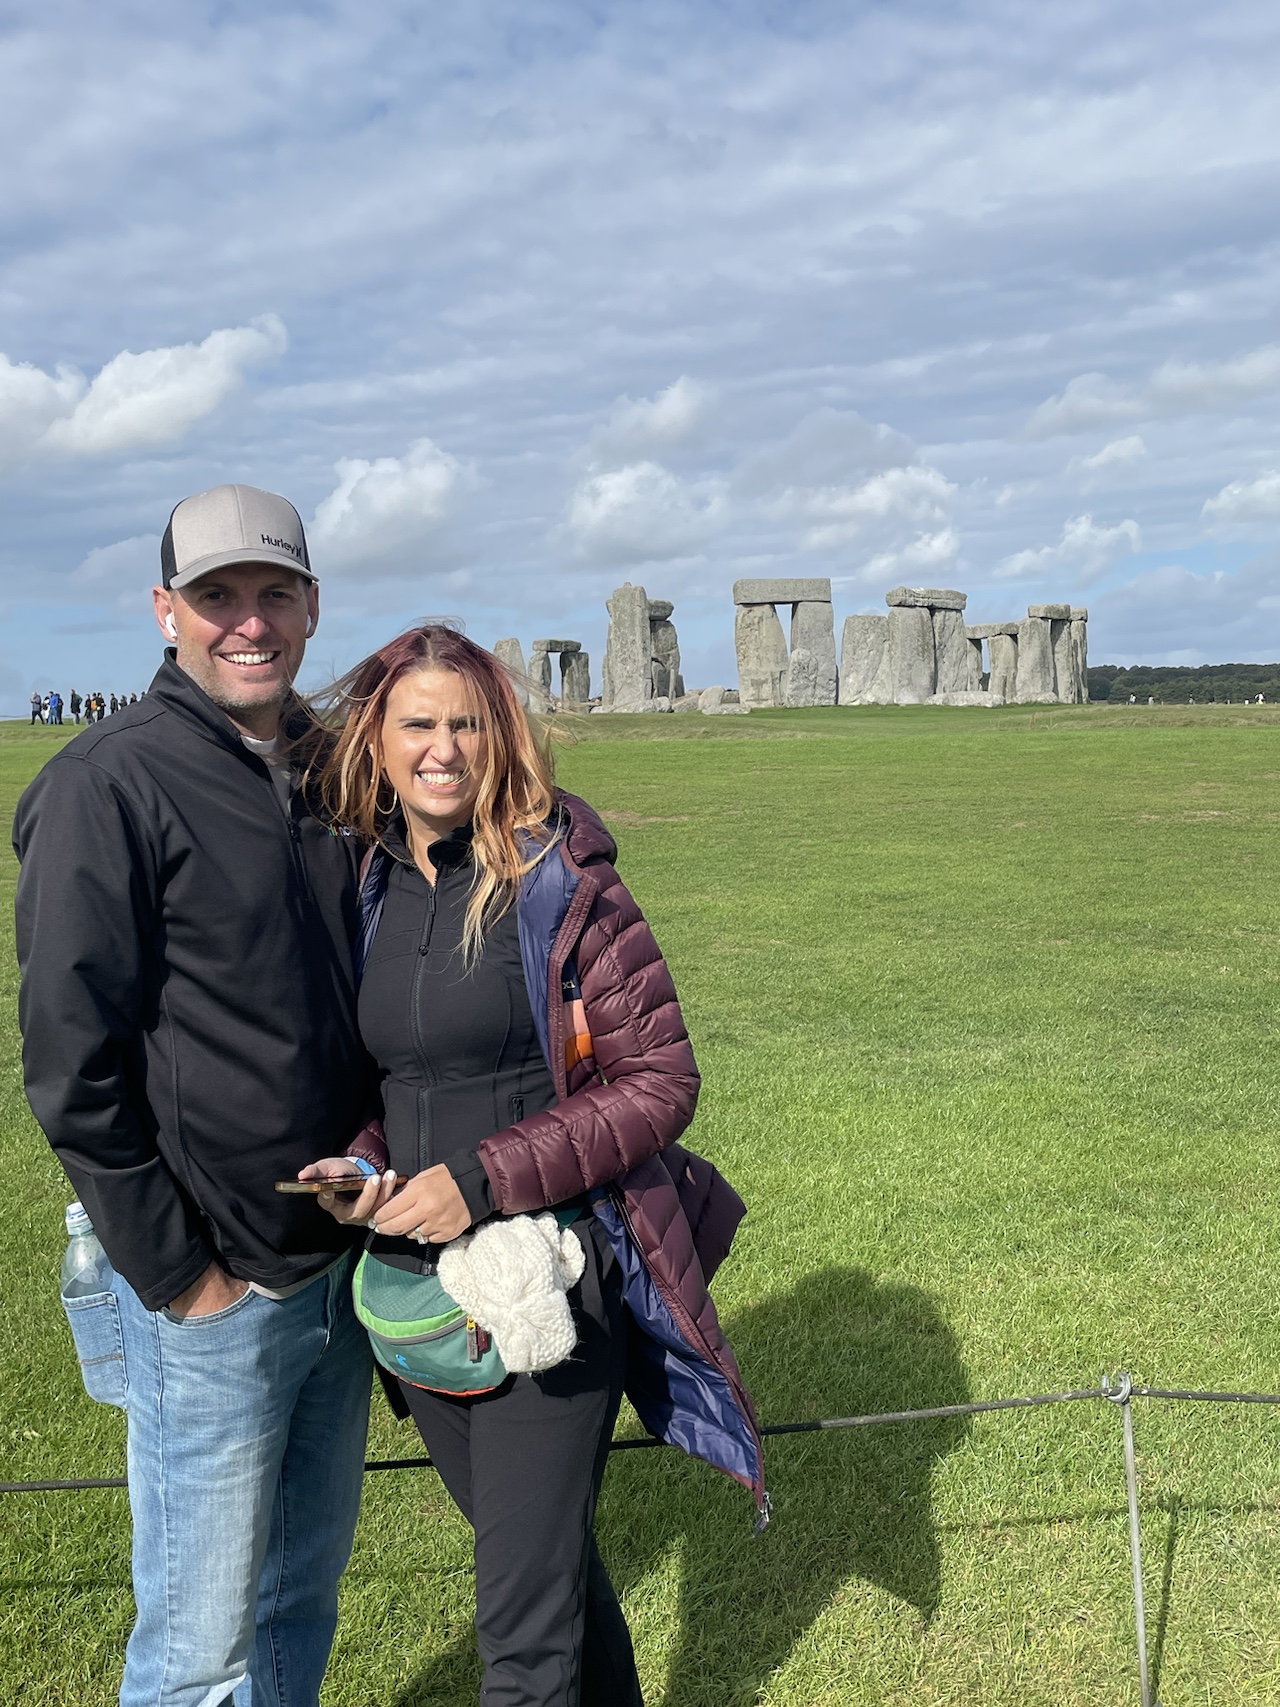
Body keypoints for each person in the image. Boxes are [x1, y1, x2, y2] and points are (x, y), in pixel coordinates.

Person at [301, 626, 764, 1707]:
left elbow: (659, 1080)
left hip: (548, 1283)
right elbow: (393, 1082)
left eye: (466, 721)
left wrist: (478, 1177)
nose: (443, 749)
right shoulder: (370, 886)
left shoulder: (564, 887)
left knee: (518, 1646)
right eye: (417, 723)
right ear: (376, 740)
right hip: (419, 1301)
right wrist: (364, 1163)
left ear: (502, 733)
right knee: (551, 1579)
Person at [13, 483, 375, 1707]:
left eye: (274, 591)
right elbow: (72, 1063)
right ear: (167, 610)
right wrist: (181, 1278)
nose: (249, 621)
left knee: (295, 1603)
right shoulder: (107, 783)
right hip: (212, 1282)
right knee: (196, 1657)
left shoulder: (334, 769)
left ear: (313, 605)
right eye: (217, 596)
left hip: (336, 1263)